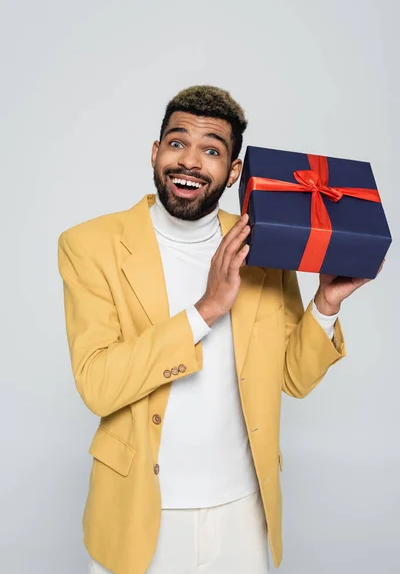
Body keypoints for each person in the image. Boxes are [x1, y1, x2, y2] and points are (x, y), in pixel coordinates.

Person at [58, 85, 373, 574]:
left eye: (211, 150)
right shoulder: (90, 246)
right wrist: (205, 310)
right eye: (177, 142)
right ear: (155, 152)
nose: (190, 161)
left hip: (243, 514)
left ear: (233, 173)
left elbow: (292, 376)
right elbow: (98, 386)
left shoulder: (262, 244)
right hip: (140, 511)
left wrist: (325, 304)